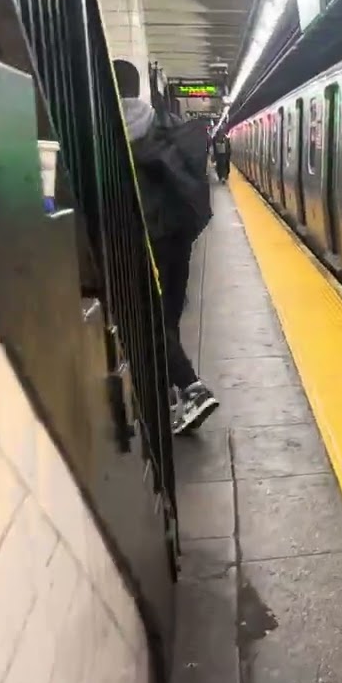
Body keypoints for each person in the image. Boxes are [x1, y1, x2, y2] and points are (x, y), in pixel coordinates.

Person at [113, 59, 219, 434]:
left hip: (146, 239)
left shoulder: (111, 130)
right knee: (168, 315)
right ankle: (172, 395)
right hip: (179, 235)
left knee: (146, 318)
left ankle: (191, 389)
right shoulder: (165, 123)